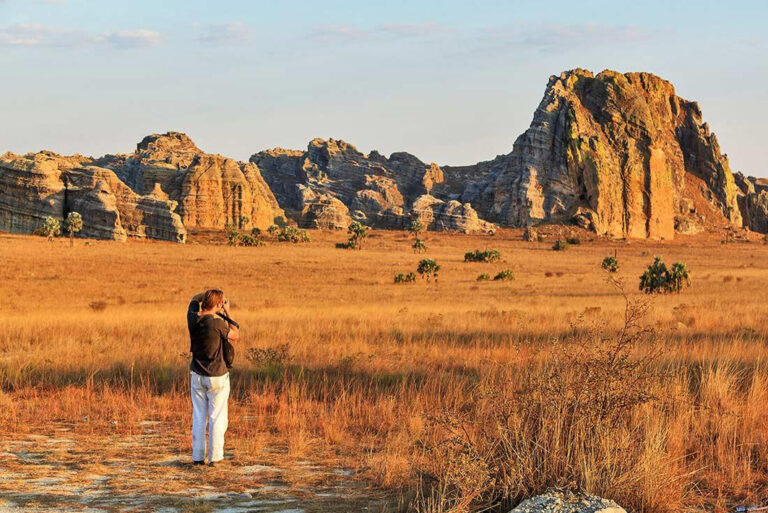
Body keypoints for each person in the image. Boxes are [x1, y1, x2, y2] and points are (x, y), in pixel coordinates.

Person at [187, 289, 239, 466]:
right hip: (217, 375)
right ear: (218, 304)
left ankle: (197, 457)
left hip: (197, 374)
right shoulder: (217, 324)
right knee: (217, 417)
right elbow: (235, 335)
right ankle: (215, 458)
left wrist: (208, 296)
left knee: (199, 416)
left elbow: (194, 299)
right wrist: (227, 311)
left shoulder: (193, 318)